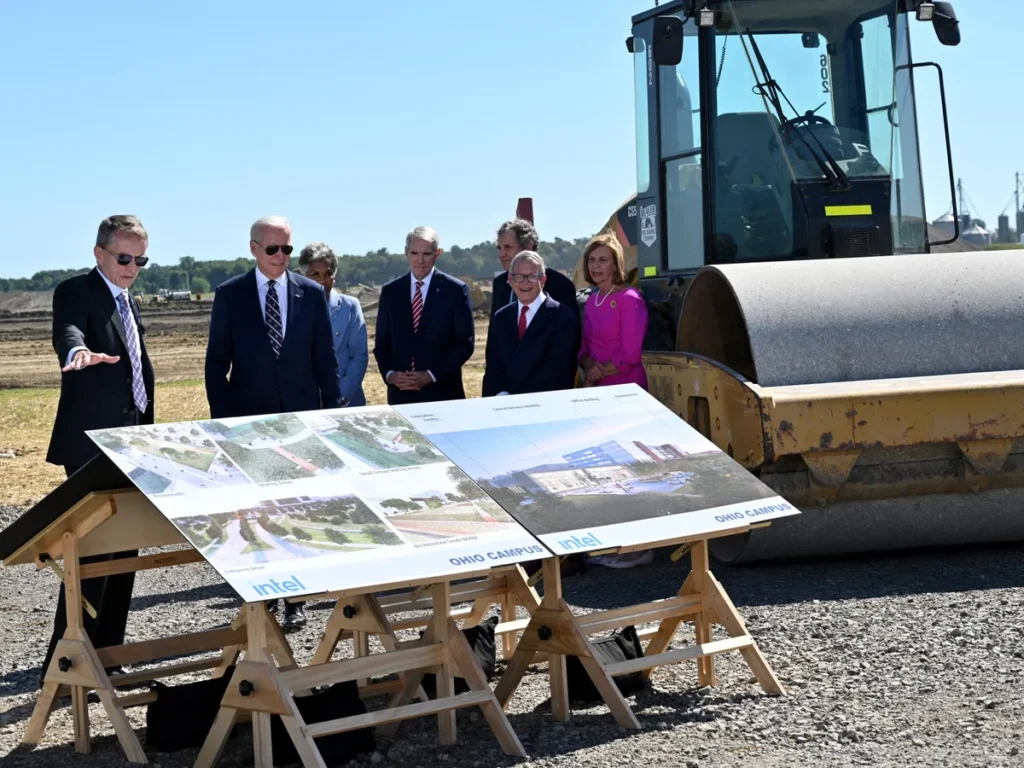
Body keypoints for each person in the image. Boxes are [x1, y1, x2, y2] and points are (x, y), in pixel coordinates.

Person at [205, 215, 343, 629]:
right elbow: (216, 364)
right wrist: (223, 426)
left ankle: (296, 598)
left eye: (287, 249)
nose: (281, 256)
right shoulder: (230, 295)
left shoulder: (311, 293)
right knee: (257, 513)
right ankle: (262, 596)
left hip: (300, 423)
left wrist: (332, 415)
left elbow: (326, 361)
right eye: (272, 249)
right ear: (253, 249)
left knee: (295, 510)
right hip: (248, 425)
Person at [42, 214, 155, 684]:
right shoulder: (76, 291)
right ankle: (67, 663)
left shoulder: (128, 300)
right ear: (99, 253)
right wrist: (77, 353)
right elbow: (68, 332)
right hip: (92, 444)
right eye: (124, 258)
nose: (132, 268)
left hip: (133, 441)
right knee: (91, 556)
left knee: (124, 550)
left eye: (140, 260)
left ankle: (109, 655)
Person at [577, 231, 653, 570]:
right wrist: (588, 366)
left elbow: (630, 353)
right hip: (596, 392)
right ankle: (612, 542)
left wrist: (599, 372)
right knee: (605, 470)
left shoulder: (629, 299)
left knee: (628, 469)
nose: (596, 266)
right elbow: (583, 348)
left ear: (616, 264)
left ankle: (639, 548)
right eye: (592, 260)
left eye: (603, 260)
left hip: (624, 392)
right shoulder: (592, 300)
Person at [373, 226, 475, 405]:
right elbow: (382, 343)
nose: (420, 260)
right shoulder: (391, 292)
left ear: (438, 253)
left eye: (427, 254)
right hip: (401, 396)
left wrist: (431, 375)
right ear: (406, 252)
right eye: (414, 253)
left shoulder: (455, 290)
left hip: (443, 394)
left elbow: (464, 344)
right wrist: (391, 375)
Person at [482, 250, 578, 397]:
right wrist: (502, 395)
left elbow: (558, 371)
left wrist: (522, 401)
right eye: (518, 276)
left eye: (532, 276)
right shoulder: (501, 317)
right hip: (504, 403)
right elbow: (494, 365)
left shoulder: (563, 317)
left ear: (543, 279)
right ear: (510, 279)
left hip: (546, 402)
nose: (525, 282)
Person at [297, 242, 368, 407]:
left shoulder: (350, 307)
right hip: (304, 403)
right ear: (302, 275)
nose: (322, 280)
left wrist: (339, 398)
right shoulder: (292, 308)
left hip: (346, 402)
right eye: (315, 274)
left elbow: (358, 356)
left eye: (328, 273)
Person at [490, 219, 580, 348]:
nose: (501, 254)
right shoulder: (499, 284)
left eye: (507, 247)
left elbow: (570, 339)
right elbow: (494, 339)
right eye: (499, 248)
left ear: (528, 247)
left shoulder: (560, 285)